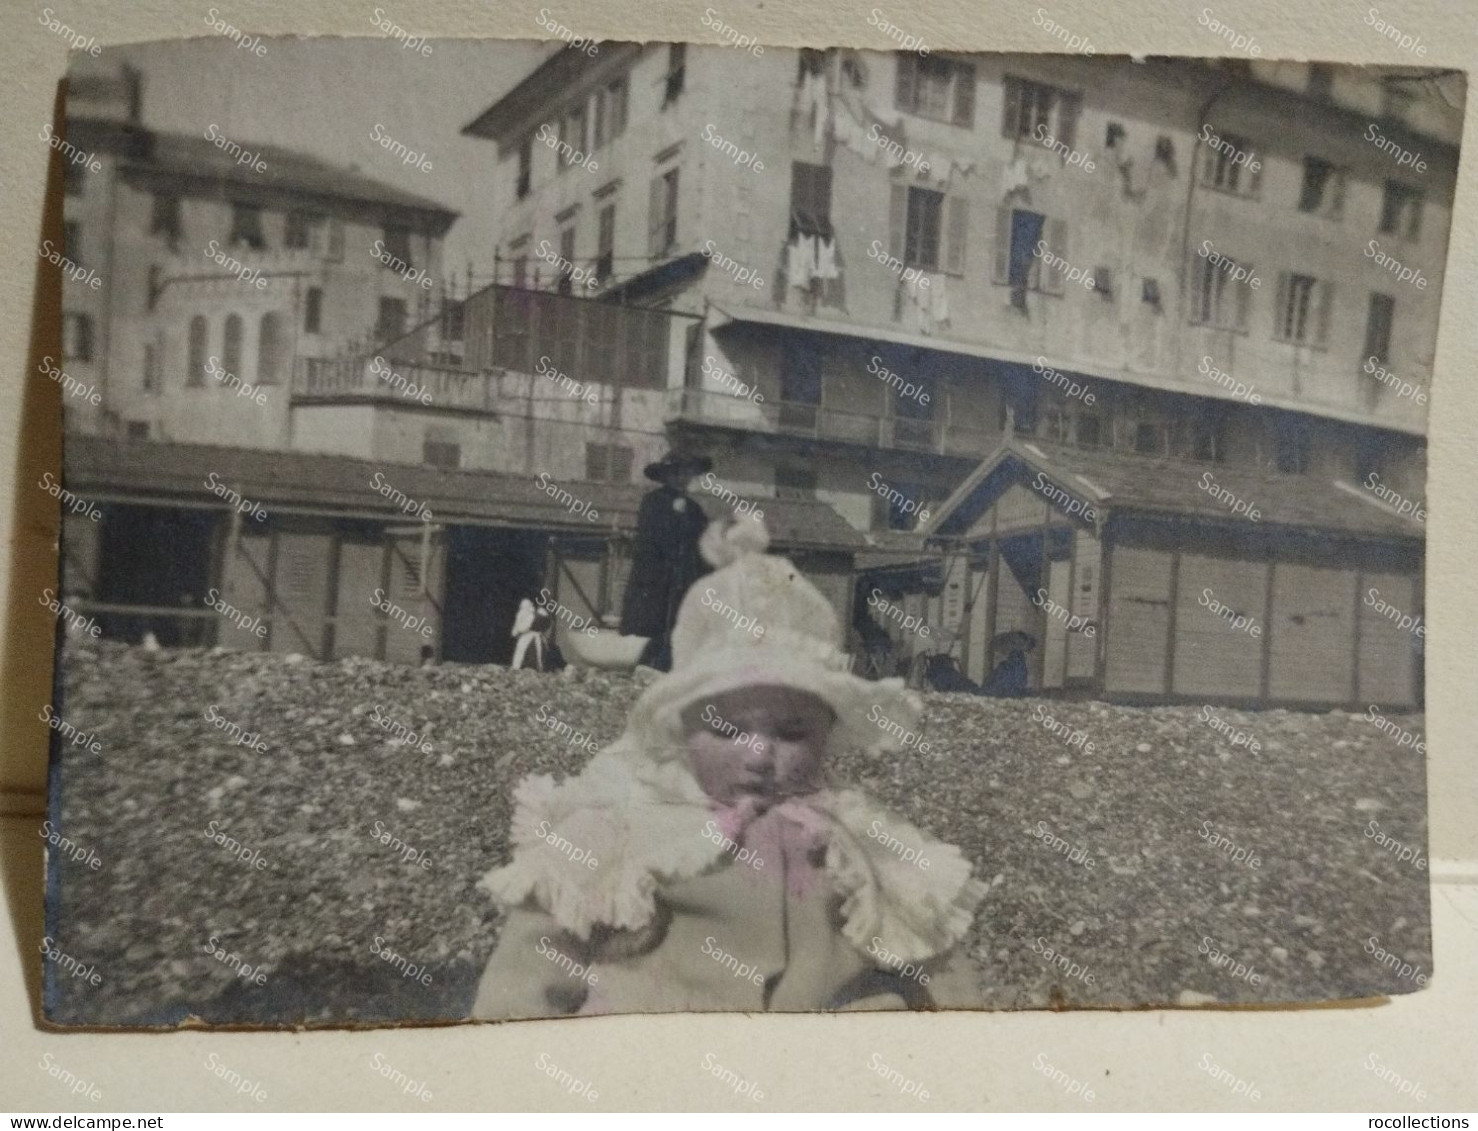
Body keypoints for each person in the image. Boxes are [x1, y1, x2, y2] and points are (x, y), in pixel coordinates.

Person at [470, 512, 987, 1018]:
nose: (759, 755)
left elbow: (931, 945)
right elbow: (529, 972)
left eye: (792, 733)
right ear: (680, 726)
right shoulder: (623, 828)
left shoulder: (858, 836)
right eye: (726, 731)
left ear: (828, 734)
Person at [619, 451, 714, 671]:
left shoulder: (695, 510)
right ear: (665, 476)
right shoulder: (653, 502)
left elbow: (703, 545)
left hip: (684, 583)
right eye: (676, 473)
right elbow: (655, 542)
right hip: (655, 584)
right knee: (650, 634)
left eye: (686, 473)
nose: (682, 478)